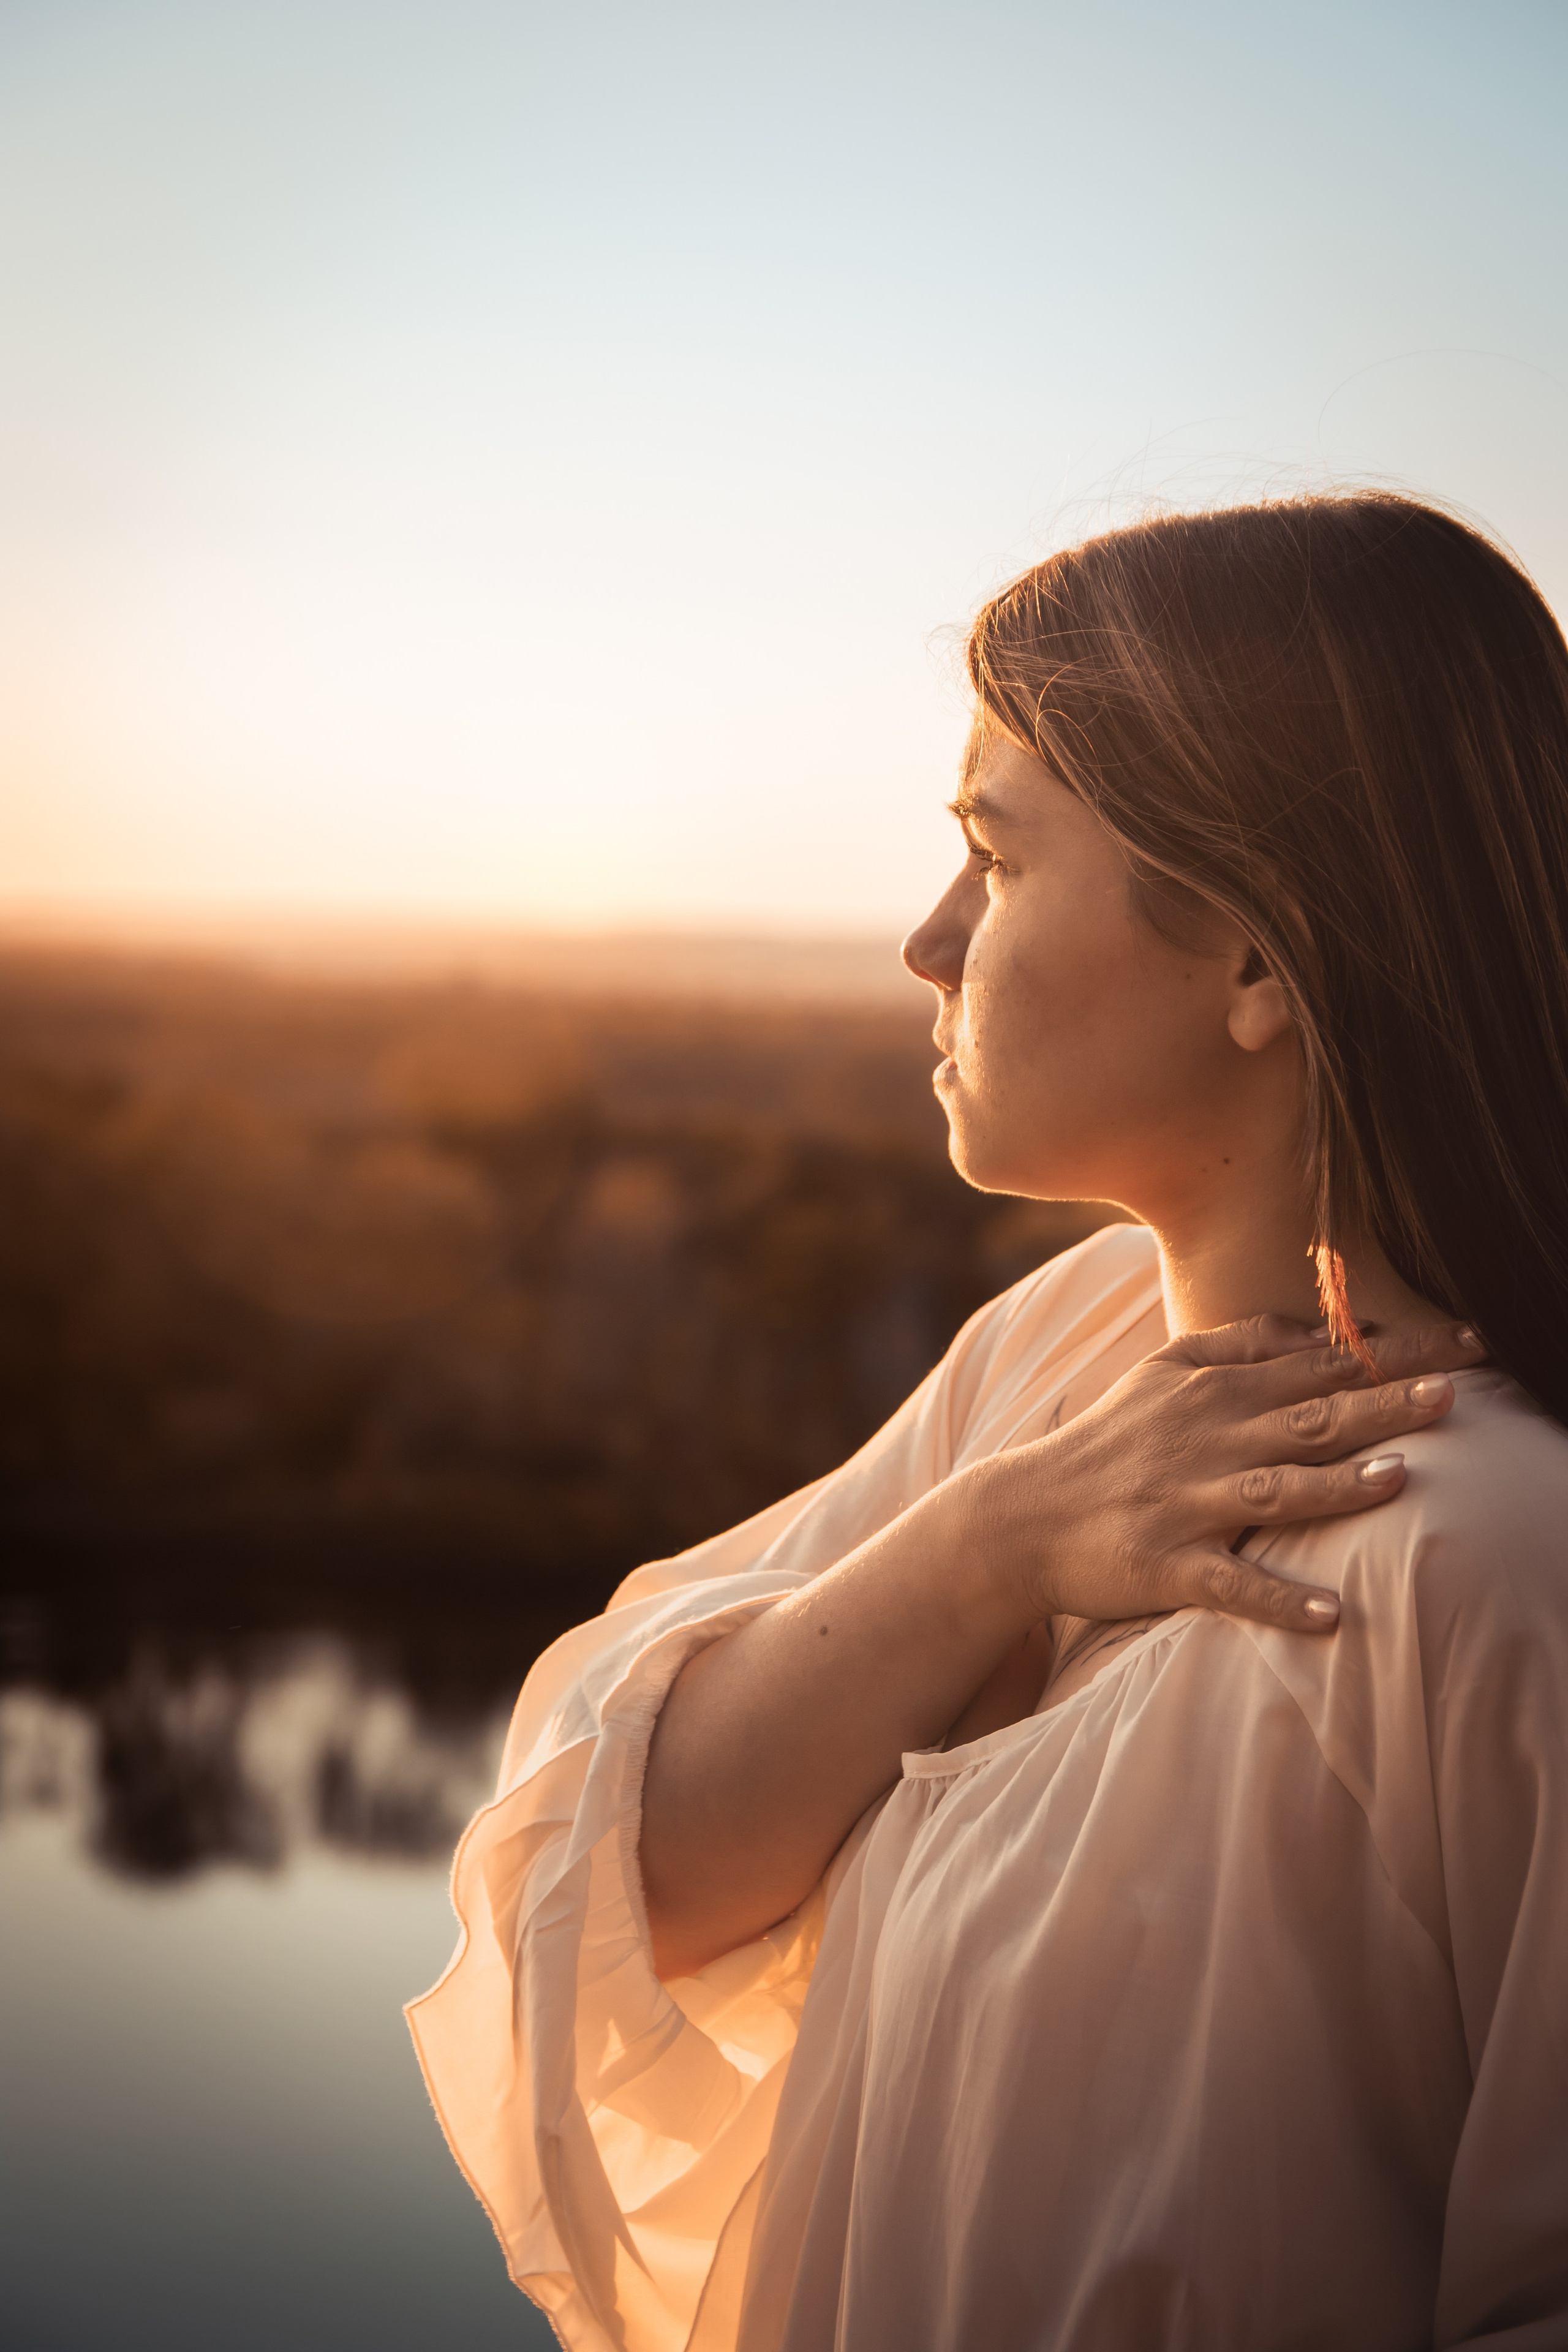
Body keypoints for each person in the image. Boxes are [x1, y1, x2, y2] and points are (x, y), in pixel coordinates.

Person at [407, 494, 1568, 2351]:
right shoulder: (1059, 1360)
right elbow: (623, 1876)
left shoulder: (1490, 1560)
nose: (926, 943)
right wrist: (994, 1542)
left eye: (995, 859)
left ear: (1263, 965)